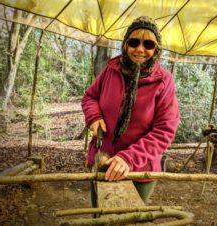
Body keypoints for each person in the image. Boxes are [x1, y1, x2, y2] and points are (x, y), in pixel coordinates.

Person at [81, 16, 180, 206]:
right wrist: (93, 116)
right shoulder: (111, 68)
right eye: (134, 42)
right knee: (99, 214)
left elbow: (165, 130)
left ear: (156, 48)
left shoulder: (164, 80)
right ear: (126, 44)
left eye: (148, 44)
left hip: (140, 168)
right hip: (103, 159)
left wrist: (128, 158)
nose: (140, 49)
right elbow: (89, 97)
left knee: (127, 218)